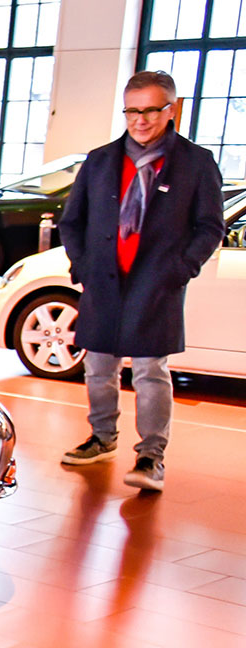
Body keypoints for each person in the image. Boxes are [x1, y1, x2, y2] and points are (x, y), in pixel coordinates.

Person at [56, 70, 223, 492]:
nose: (140, 120)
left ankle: (151, 456)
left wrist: (182, 268)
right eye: (132, 111)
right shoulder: (100, 160)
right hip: (104, 282)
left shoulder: (196, 163)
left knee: (150, 371)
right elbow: (72, 221)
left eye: (150, 110)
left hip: (157, 283)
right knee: (98, 366)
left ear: (172, 110)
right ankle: (102, 438)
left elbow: (210, 226)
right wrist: (83, 265)